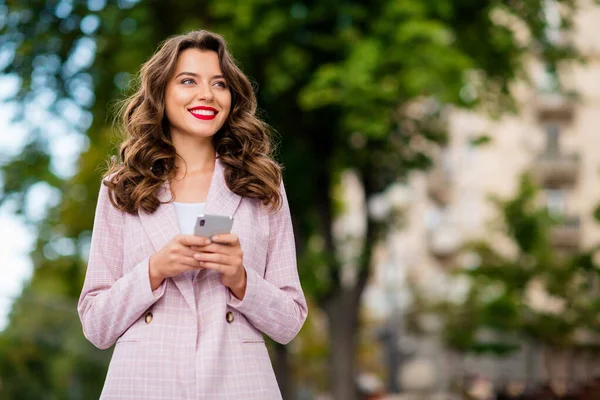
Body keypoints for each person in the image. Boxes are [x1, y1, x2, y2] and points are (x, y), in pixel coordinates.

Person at [77, 30, 308, 400]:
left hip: (239, 383)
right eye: (188, 81)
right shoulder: (121, 186)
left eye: (219, 84)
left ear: (232, 98)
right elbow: (95, 324)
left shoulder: (263, 183)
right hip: (143, 383)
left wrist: (240, 278)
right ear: (161, 93)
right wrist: (154, 270)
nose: (206, 95)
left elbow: (290, 322)